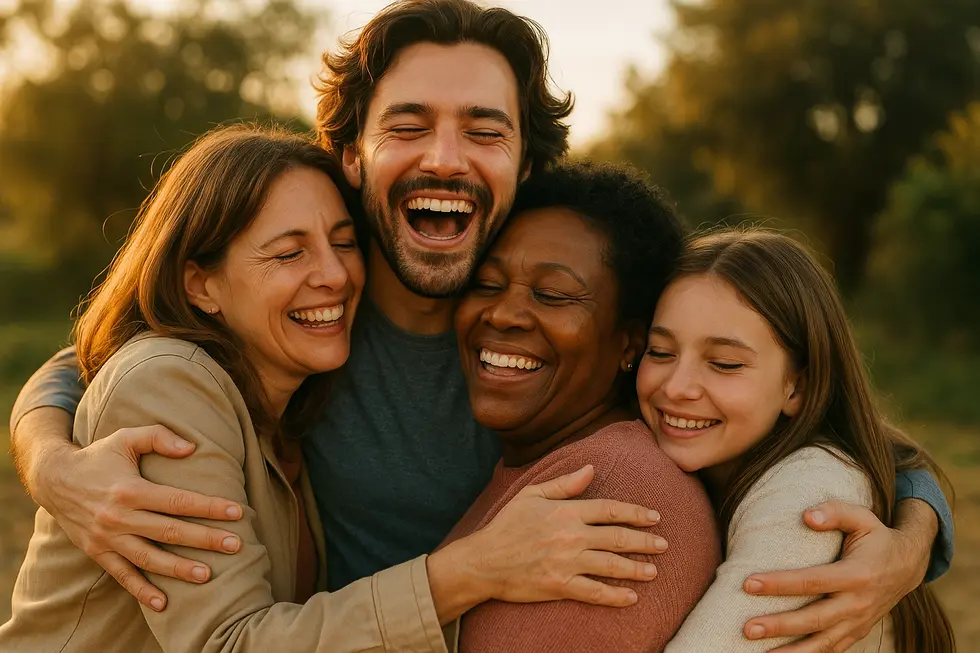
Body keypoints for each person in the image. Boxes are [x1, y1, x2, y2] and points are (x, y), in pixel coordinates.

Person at [7, 0, 954, 649]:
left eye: (486, 130)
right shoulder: (307, 306)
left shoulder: (580, 321)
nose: (446, 157)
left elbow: (805, 397)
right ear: (351, 156)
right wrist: (47, 455)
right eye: (408, 124)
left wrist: (915, 535)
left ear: (523, 166)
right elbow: (118, 353)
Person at [1, 124, 371, 650]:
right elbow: (228, 642)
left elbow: (72, 365)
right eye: (289, 254)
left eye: (345, 243)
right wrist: (453, 578)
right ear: (200, 284)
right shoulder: (168, 383)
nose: (335, 274)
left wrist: (45, 458)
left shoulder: (284, 391)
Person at [442, 162, 720, 652]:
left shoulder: (623, 493)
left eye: (552, 295)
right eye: (486, 285)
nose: (503, 314)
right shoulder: (543, 462)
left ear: (629, 343)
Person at [635, 228, 956, 652]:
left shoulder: (811, 498)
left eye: (725, 363)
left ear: (797, 386)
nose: (677, 387)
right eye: (660, 351)